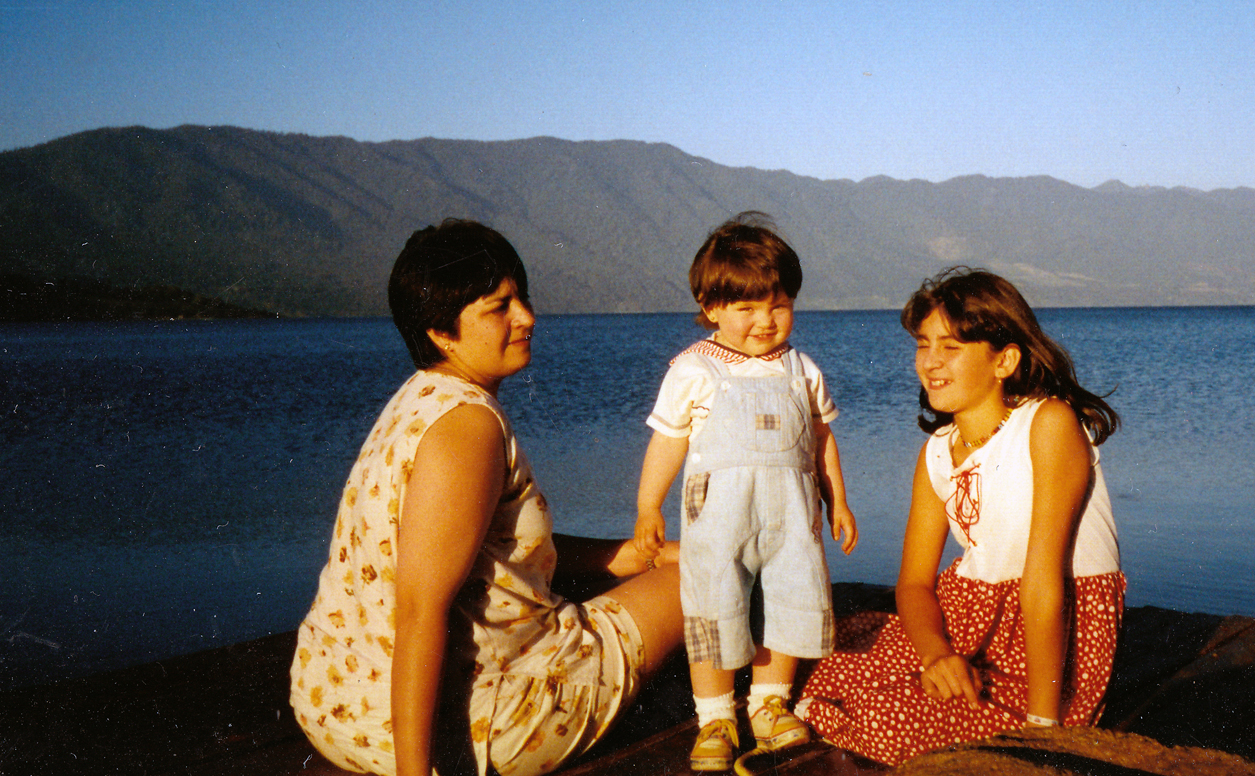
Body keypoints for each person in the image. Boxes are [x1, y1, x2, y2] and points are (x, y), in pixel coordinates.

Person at [290, 219, 684, 776]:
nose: (526, 317)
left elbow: (495, 551)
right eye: (499, 307)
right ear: (442, 332)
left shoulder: (420, 399)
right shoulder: (468, 429)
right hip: (478, 727)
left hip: (337, 705)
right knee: (706, 578)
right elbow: (420, 611)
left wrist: (639, 555)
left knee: (669, 568)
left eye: (521, 297)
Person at [798, 268, 1125, 765]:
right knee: (822, 660)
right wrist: (936, 654)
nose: (930, 363)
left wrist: (1043, 729)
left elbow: (1041, 582)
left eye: (950, 348)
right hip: (970, 616)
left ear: (1005, 360)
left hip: (1049, 637)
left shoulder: (1047, 424)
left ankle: (1023, 719)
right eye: (923, 345)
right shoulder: (936, 452)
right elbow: (912, 585)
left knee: (883, 719)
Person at [633, 214, 858, 773]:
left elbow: (821, 439)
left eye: (778, 305)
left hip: (792, 515)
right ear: (711, 307)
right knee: (714, 604)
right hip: (719, 517)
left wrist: (839, 500)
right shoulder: (694, 368)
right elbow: (667, 442)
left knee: (791, 601)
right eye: (746, 307)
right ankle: (714, 716)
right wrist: (647, 506)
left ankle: (770, 704)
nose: (764, 321)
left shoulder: (801, 369)